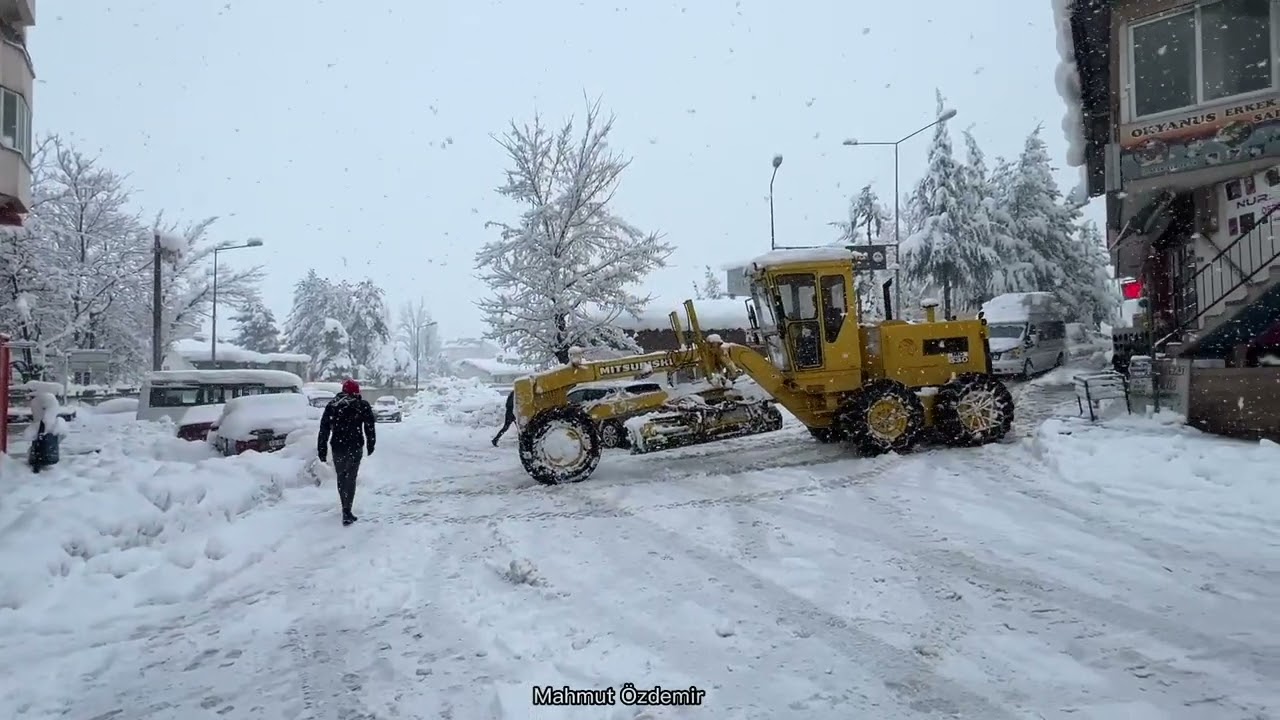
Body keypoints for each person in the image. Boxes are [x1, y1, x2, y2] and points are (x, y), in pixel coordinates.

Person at [317, 378, 376, 526]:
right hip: (355, 447)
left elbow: (324, 429)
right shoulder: (361, 405)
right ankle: (347, 509)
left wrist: (322, 449)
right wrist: (370, 443)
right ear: (356, 392)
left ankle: (345, 505)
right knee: (351, 478)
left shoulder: (332, 406)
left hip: (338, 447)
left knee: (341, 477)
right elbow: (369, 426)